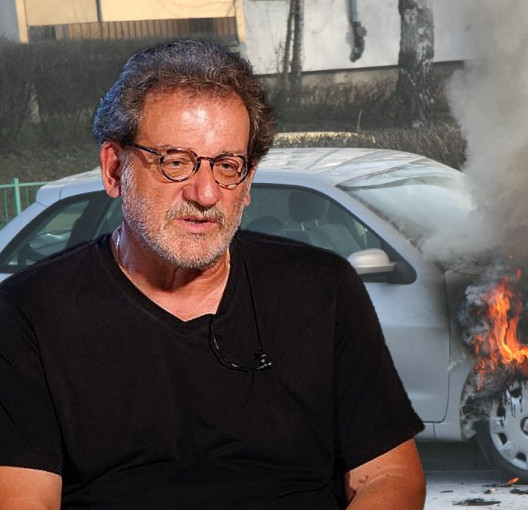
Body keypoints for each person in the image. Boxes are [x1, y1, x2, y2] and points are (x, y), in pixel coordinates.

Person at [0, 39, 426, 509]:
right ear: (114, 169)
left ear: (248, 180)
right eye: (175, 162)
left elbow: (388, 476)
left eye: (227, 166)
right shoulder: (29, 313)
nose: (205, 194)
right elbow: (23, 499)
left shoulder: (322, 290)